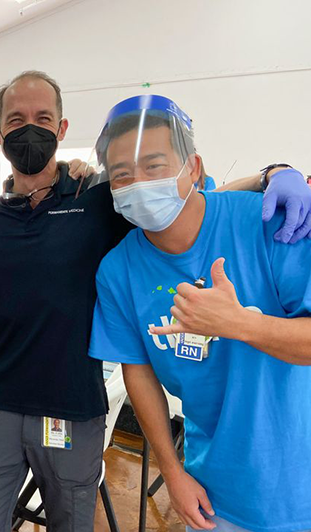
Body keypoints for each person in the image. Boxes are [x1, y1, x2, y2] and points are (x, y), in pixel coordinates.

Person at [0, 72, 311, 532]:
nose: (30, 129)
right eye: (16, 120)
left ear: (62, 129)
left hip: (70, 405)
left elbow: (193, 204)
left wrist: (274, 174)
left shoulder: (97, 201)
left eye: (42, 117)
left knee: (72, 519)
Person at [88, 94, 311, 532]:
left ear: (193, 168)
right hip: (214, 494)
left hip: (297, 483)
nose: (138, 183)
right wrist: (171, 471)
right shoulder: (118, 271)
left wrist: (243, 324)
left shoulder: (269, 224)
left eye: (154, 166)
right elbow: (137, 370)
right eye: (122, 176)